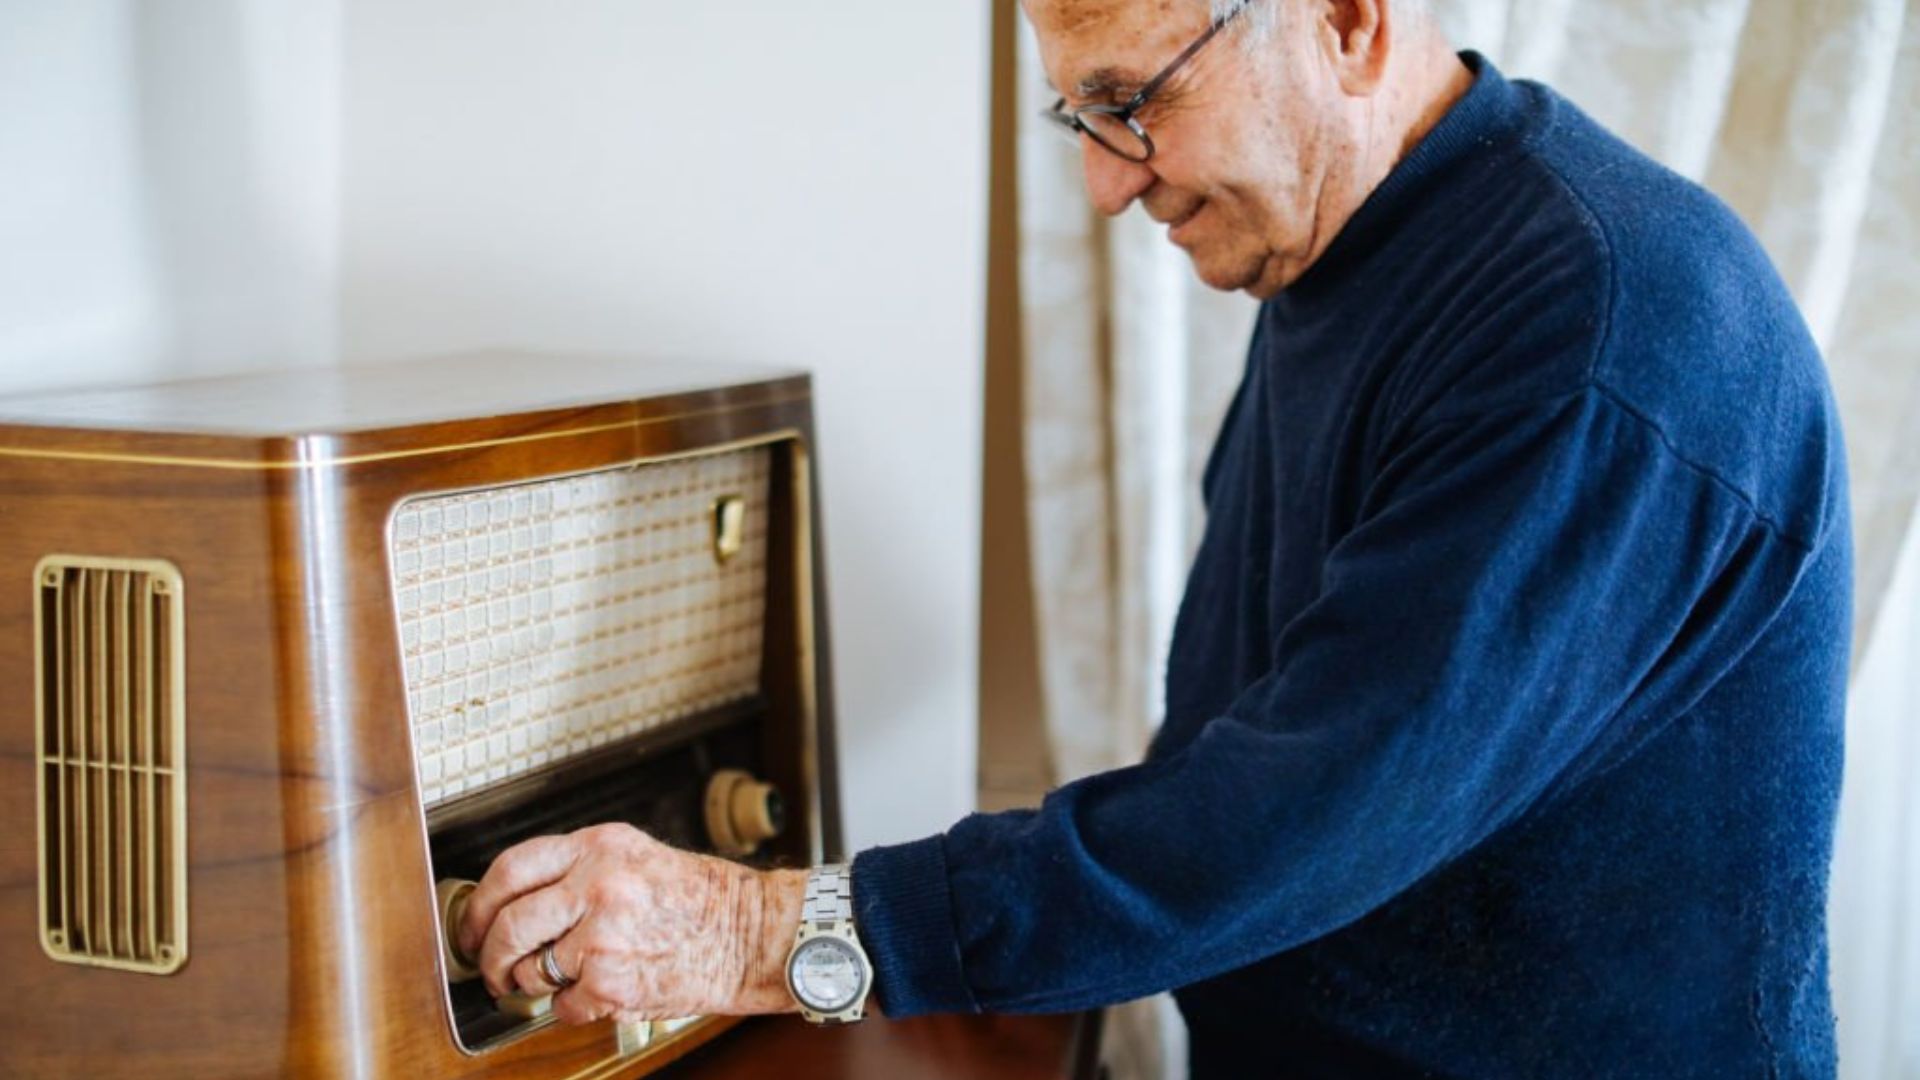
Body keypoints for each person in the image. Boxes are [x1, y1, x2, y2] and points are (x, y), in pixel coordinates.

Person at [457, 0, 1853, 1073]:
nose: (1107, 188)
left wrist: (763, 935)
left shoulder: (1591, 326)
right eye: (1081, 119)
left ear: (1349, 19)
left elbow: (1275, 823)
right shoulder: (1353, 263)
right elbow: (1238, 753)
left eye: (1131, 103)